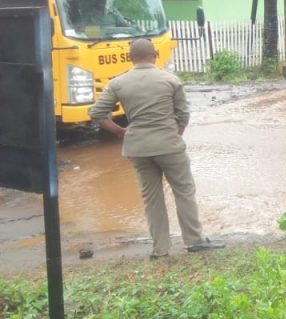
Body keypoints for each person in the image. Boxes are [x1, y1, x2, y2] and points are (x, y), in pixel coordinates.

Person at [89, 38, 224, 259]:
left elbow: (96, 114)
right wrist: (173, 134)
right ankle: (194, 240)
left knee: (152, 198)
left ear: (130, 58)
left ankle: (160, 248)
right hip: (169, 145)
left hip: (138, 148)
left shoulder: (118, 83)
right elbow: (183, 115)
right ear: (155, 55)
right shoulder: (170, 80)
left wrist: (119, 131)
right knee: (184, 192)